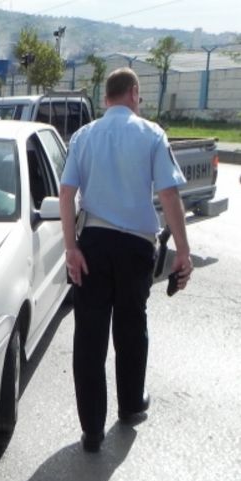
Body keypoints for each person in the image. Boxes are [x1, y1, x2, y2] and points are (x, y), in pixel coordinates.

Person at [59, 67, 193, 453]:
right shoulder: (152, 134)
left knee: (89, 337)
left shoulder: (84, 136)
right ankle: (131, 405)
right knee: (132, 327)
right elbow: (169, 196)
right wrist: (183, 250)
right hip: (136, 247)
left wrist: (72, 248)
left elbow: (66, 195)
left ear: (105, 98)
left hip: (93, 245)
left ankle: (91, 432)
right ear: (134, 93)